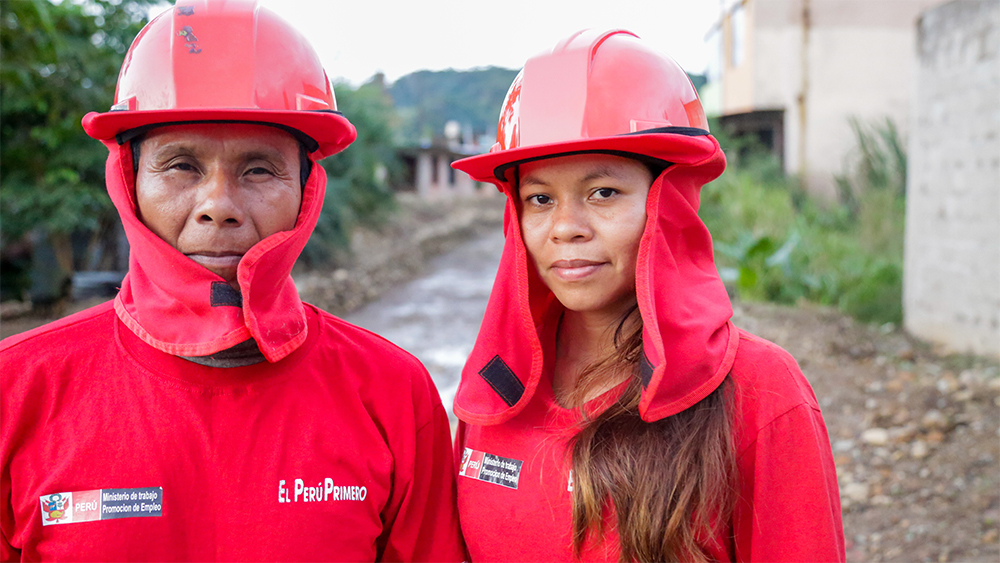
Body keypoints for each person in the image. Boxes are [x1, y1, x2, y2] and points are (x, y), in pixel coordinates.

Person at [0, 2, 463, 561]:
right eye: (181, 165)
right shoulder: (16, 392)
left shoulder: (392, 393)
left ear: (306, 189)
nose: (218, 206)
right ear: (129, 178)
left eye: (259, 169)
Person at [450, 29, 845, 562]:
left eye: (603, 192)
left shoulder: (762, 392)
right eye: (539, 198)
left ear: (669, 202)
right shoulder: (495, 393)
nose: (565, 228)